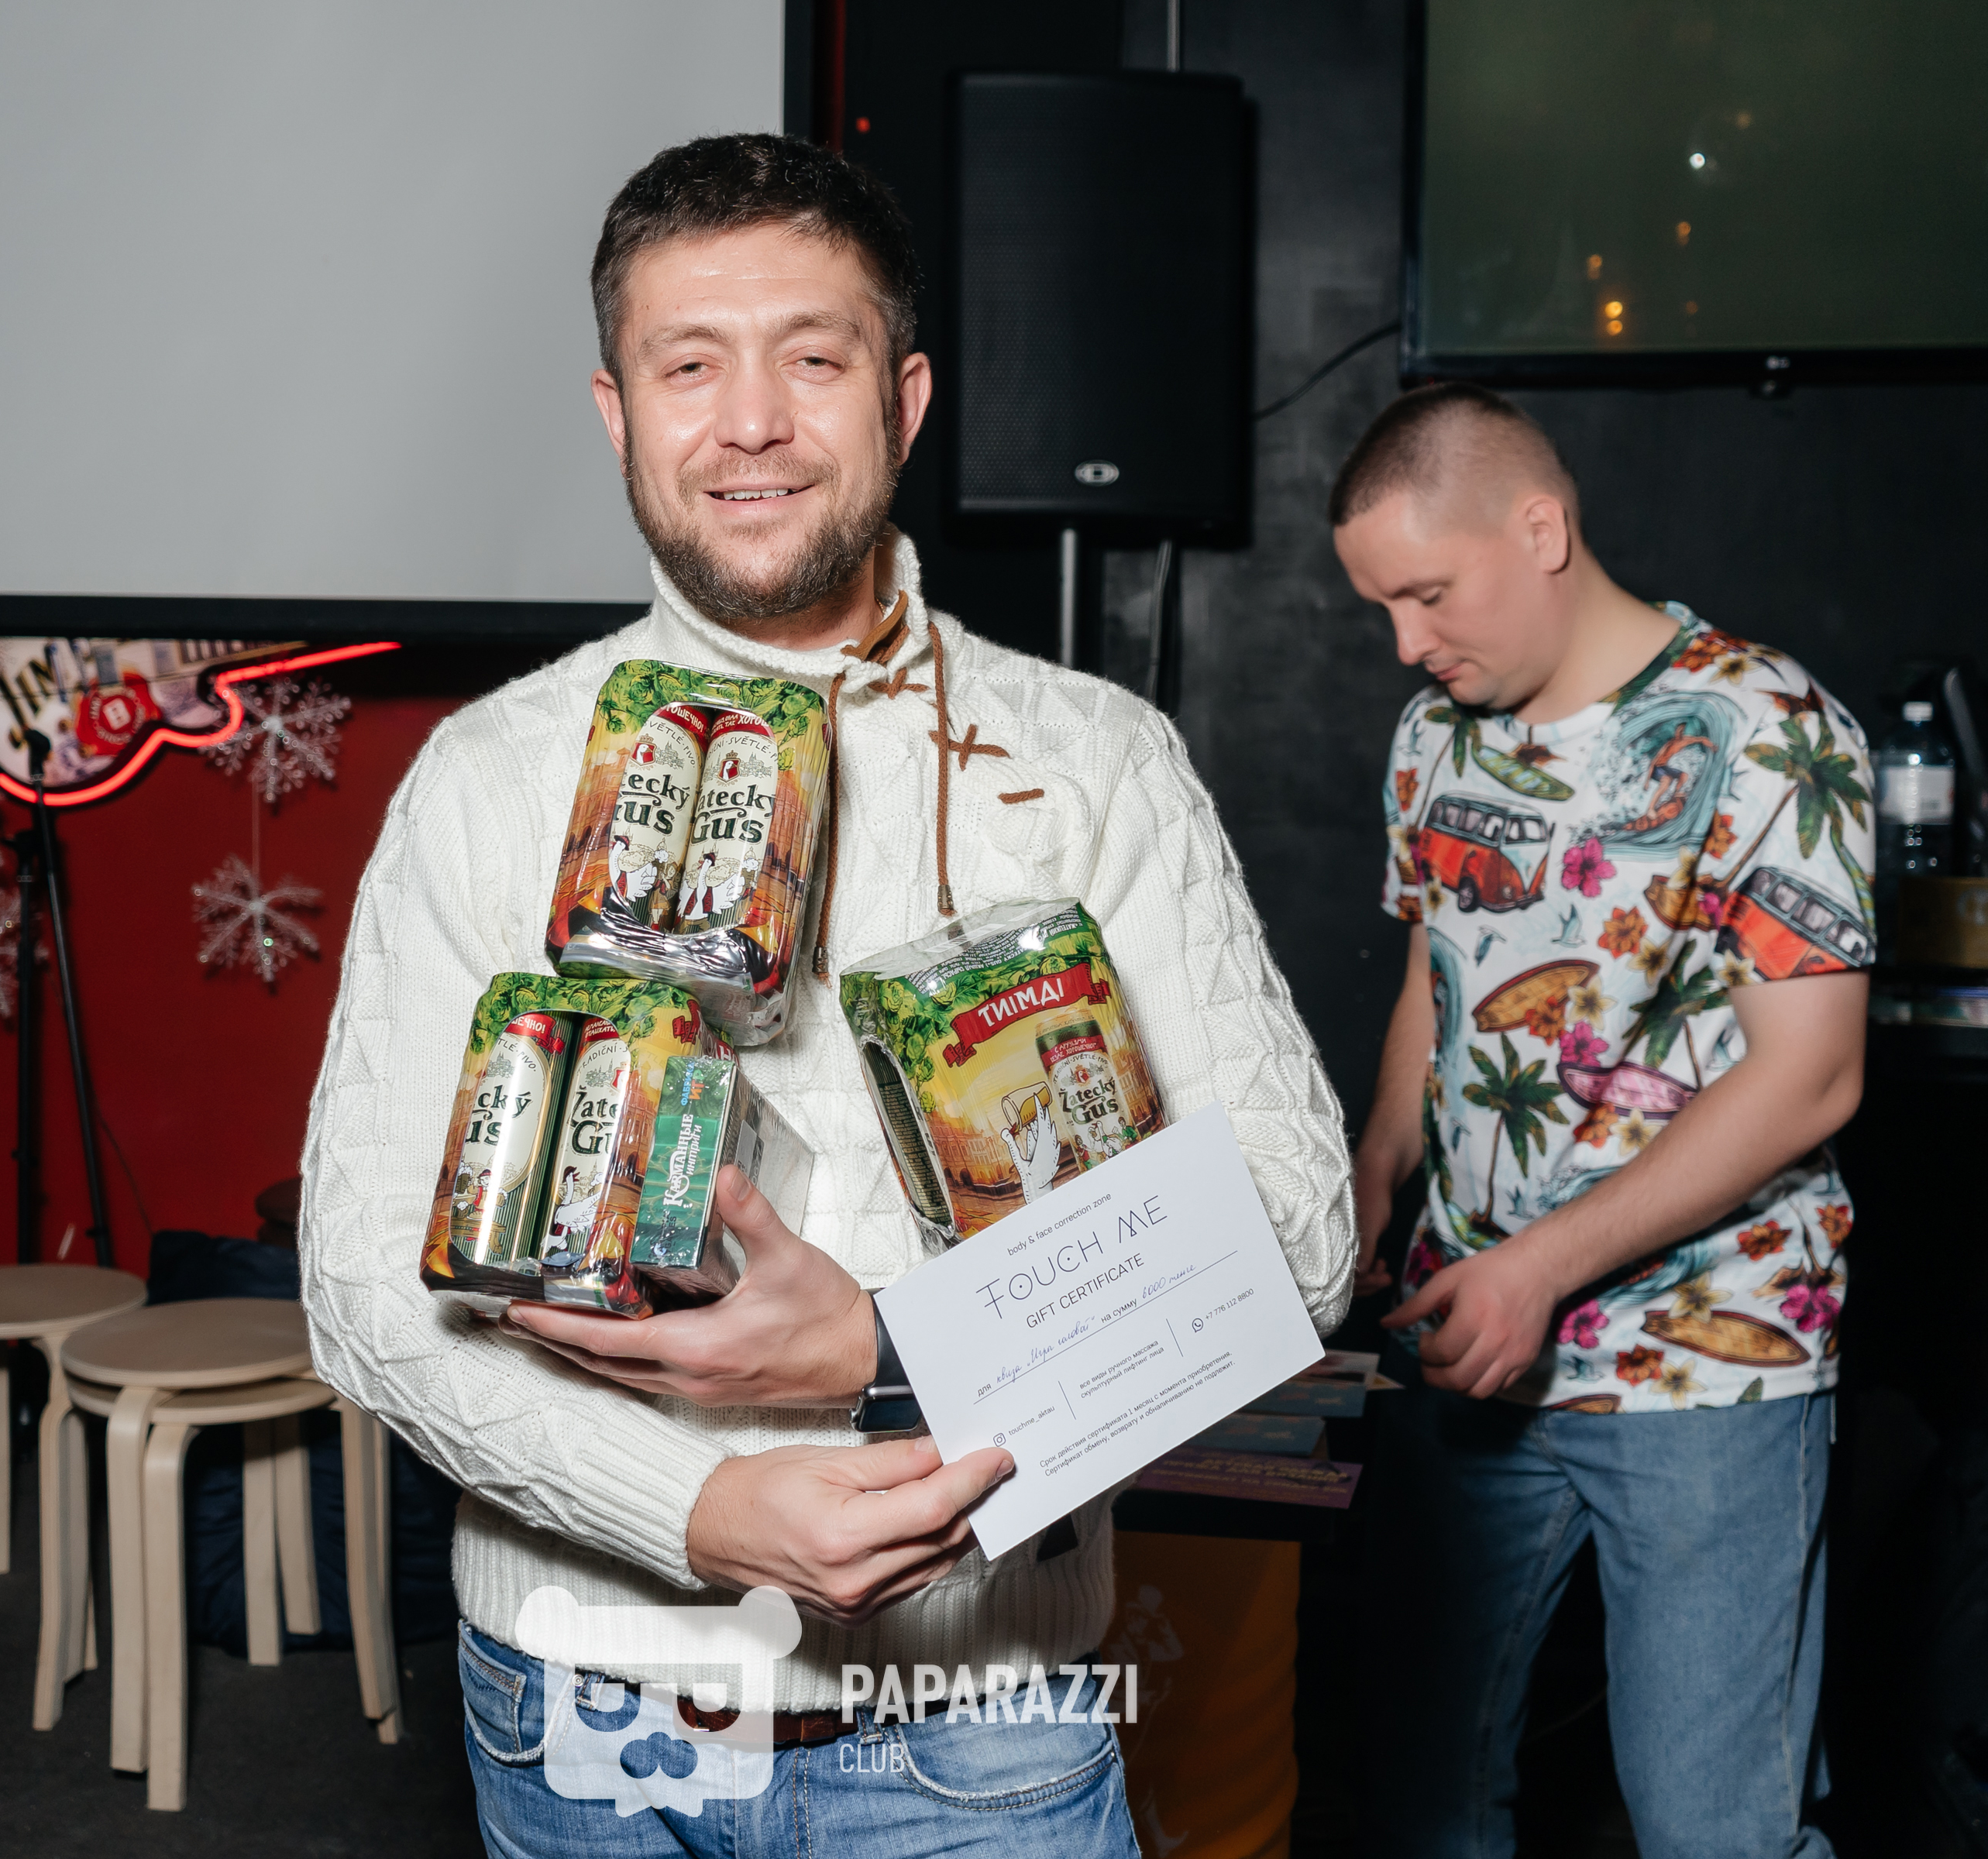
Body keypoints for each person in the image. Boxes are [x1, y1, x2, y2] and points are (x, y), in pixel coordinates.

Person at [296, 132, 1355, 1857]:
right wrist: (701, 1507)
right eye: (688, 366)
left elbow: (1296, 1240)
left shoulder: (1099, 763)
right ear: (615, 412)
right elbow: (362, 1290)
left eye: (813, 357)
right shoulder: (488, 778)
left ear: (905, 401)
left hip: (980, 1725)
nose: (752, 423)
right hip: (586, 1717)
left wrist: (888, 1353)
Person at [1334, 383, 1868, 1858]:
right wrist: (1378, 1164)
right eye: (1382, 609)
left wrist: (1542, 1266)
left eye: (1428, 595)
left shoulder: (1770, 728)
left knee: (1714, 1832)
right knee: (1420, 1804)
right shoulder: (1434, 734)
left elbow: (1813, 1076)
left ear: (1541, 529)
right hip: (1467, 1343)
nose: (1407, 643)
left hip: (1706, 1360)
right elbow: (1438, 976)